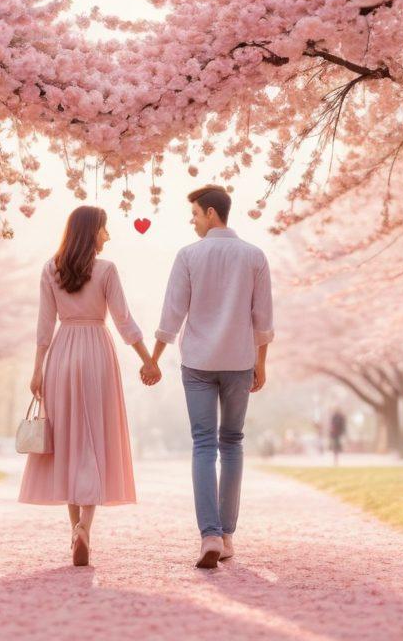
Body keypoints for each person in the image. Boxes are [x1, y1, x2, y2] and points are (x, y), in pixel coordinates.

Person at [140, 184, 274, 569]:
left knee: (203, 444)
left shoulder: (188, 256)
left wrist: (153, 360)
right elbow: (263, 318)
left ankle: (209, 535)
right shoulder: (254, 256)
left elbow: (172, 314)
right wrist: (261, 363)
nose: (193, 222)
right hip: (239, 362)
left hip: (198, 363)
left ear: (211, 213)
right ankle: (227, 536)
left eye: (195, 214)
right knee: (232, 442)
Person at [19, 206, 154, 567]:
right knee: (92, 440)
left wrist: (37, 369)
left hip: (62, 353)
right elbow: (124, 321)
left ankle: (73, 528)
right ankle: (85, 527)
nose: (107, 235)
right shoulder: (106, 269)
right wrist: (147, 359)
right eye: (104, 229)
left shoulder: (51, 268)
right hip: (97, 352)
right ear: (92, 232)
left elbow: (44, 325)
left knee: (67, 440)